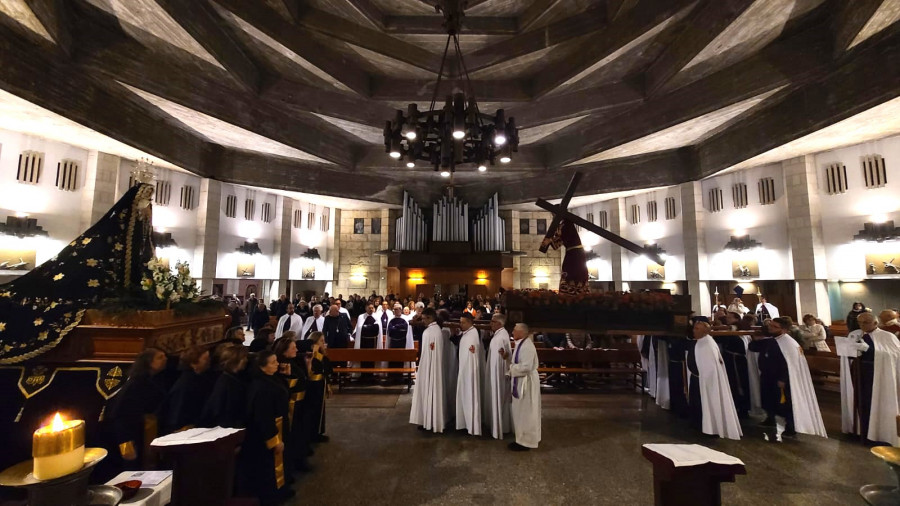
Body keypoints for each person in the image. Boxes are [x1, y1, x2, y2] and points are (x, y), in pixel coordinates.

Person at [749, 317, 826, 439]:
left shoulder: (788, 343)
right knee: (768, 399)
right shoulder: (772, 340)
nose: (770, 328)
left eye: (774, 327)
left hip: (781, 378)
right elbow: (753, 346)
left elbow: (790, 363)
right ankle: (770, 418)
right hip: (768, 376)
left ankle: (791, 427)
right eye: (770, 325)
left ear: (784, 330)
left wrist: (783, 379)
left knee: (785, 404)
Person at [841, 312, 900, 445]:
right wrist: (848, 351)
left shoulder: (887, 336)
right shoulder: (855, 334)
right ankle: (861, 429)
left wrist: (869, 350)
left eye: (866, 323)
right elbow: (848, 353)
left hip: (877, 374)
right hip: (858, 372)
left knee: (873, 402)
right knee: (860, 402)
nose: (862, 325)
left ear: (875, 323)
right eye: (860, 323)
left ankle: (876, 432)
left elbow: (894, 355)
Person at [241, 351, 291, 506]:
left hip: (279, 425)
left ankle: (280, 491)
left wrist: (284, 375)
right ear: (262, 367)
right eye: (273, 362)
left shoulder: (270, 379)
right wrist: (274, 441)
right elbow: (263, 417)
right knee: (269, 468)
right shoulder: (261, 387)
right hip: (268, 432)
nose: (277, 364)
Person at [106, 348, 167, 470]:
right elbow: (120, 413)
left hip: (144, 430)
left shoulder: (153, 379)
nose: (165, 359)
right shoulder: (135, 384)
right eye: (160, 357)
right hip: (130, 433)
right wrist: (125, 443)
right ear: (149, 362)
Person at [687, 319, 742, 440]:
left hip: (706, 381)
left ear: (705, 331)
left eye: (697, 329)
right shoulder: (698, 342)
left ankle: (710, 427)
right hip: (697, 379)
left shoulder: (708, 344)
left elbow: (711, 367)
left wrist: (705, 378)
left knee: (705, 403)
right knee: (696, 403)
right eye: (694, 328)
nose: (693, 330)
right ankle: (698, 424)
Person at [274, 335, 311, 473]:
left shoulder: (293, 361)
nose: (297, 350)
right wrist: (287, 376)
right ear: (284, 352)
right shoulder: (283, 364)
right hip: (292, 405)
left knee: (301, 432)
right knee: (294, 434)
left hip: (300, 403)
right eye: (293, 348)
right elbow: (286, 387)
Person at [502, 323, 541, 451]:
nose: (512, 332)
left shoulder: (527, 346)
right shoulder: (521, 344)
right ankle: (521, 439)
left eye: (514, 330)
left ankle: (526, 442)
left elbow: (526, 367)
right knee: (520, 412)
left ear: (522, 332)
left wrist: (511, 368)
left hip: (527, 384)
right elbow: (518, 362)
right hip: (521, 381)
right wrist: (508, 358)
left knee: (526, 412)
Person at [158, 346, 213, 434]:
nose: (209, 361)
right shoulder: (186, 383)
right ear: (193, 363)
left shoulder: (198, 379)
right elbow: (177, 412)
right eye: (205, 359)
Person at [409, 308, 446, 433]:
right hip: (428, 367)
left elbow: (431, 353)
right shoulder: (433, 330)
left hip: (430, 369)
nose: (423, 321)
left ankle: (430, 421)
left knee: (429, 391)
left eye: (424, 319)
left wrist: (426, 368)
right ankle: (427, 419)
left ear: (430, 318)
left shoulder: (432, 332)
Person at [201, 344, 249, 428]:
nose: (246, 360)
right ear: (235, 360)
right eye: (243, 358)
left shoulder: (234, 377)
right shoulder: (226, 381)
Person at [483, 314, 512, 439]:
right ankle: (500, 426)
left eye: (493, 322)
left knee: (499, 399)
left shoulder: (500, 337)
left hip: (498, 375)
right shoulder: (500, 334)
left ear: (500, 323)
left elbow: (501, 358)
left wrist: (496, 374)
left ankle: (498, 427)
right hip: (497, 373)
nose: (491, 324)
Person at [456, 313, 485, 436]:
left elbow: (472, 356)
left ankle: (470, 424)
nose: (460, 324)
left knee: (469, 396)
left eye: (463, 322)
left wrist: (468, 373)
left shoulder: (472, 335)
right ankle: (464, 422)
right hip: (464, 371)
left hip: (469, 373)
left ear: (469, 322)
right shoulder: (467, 333)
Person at [303, 332, 331, 444]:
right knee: (313, 410)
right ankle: (312, 434)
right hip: (312, 386)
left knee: (320, 409)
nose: (324, 343)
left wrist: (328, 385)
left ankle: (319, 432)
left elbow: (325, 369)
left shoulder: (321, 354)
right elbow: (311, 369)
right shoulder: (310, 355)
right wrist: (315, 353)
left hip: (321, 384)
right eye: (321, 341)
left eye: (324, 341)